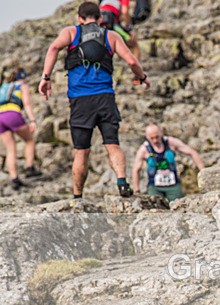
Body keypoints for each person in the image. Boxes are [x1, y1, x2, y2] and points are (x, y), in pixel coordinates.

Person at [39, 1, 150, 199]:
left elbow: (54, 48)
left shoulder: (71, 32)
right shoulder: (111, 35)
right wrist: (142, 77)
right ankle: (122, 182)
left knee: (81, 151)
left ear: (79, 18)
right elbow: (132, 61)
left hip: (80, 100)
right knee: (112, 145)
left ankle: (77, 197)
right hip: (105, 97)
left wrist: (46, 78)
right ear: (100, 18)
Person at [131, 123, 205, 201]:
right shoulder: (144, 149)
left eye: (157, 137)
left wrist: (203, 172)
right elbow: (135, 170)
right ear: (147, 137)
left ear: (161, 133)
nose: (155, 140)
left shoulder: (170, 142)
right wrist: (137, 190)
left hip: (173, 185)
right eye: (152, 138)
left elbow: (192, 152)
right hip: (154, 187)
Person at [0, 68, 41, 191]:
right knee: (29, 140)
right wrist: (32, 120)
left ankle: (14, 179)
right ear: (22, 77)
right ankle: (29, 168)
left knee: (10, 148)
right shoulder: (22, 86)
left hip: (0, 116)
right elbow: (27, 104)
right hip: (13, 114)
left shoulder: (4, 86)